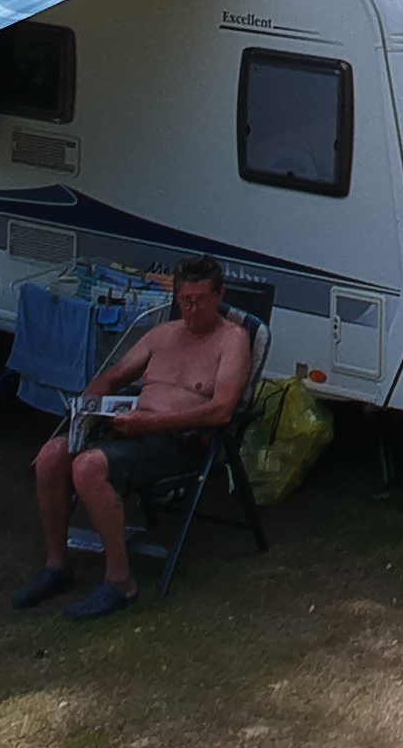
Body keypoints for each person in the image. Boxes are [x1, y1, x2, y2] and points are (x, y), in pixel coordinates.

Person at [17, 256, 253, 621]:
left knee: (89, 467)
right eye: (185, 299)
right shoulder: (162, 334)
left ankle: (120, 581)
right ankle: (56, 565)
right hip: (131, 429)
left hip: (181, 440)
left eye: (202, 299)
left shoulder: (232, 340)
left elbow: (221, 410)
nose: (193, 308)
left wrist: (151, 425)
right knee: (51, 455)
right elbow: (111, 378)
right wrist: (88, 415)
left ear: (220, 295)